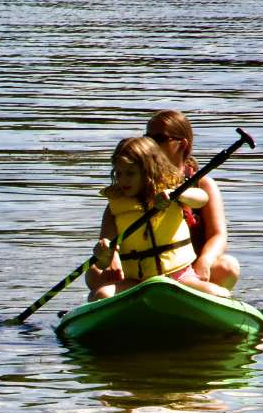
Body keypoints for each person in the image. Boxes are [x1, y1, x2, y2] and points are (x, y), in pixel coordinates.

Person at [85, 136, 232, 301]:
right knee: (101, 294)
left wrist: (177, 195)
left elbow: (202, 198)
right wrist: (104, 253)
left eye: (130, 173)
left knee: (220, 294)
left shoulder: (172, 192)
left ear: (149, 171)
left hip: (180, 277)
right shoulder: (115, 208)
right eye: (118, 173)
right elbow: (105, 252)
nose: (123, 180)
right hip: (136, 282)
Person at [145, 109, 240, 290]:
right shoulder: (136, 182)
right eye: (147, 138)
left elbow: (218, 235)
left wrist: (204, 261)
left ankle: (208, 303)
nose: (150, 145)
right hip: (149, 268)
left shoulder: (203, 185)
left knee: (228, 266)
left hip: (189, 270)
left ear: (182, 144)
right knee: (95, 272)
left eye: (158, 139)